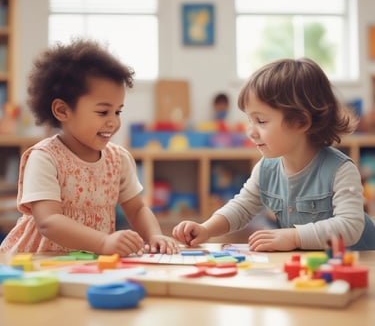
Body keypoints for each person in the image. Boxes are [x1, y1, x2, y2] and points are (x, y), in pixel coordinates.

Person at [173, 58, 375, 251]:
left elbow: (350, 226)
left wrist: (294, 237)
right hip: (315, 265)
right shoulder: (266, 168)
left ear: (300, 122)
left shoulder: (340, 170)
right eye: (250, 120)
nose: (250, 131)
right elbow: (242, 207)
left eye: (260, 121)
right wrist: (207, 229)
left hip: (361, 263)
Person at [0, 39, 179, 256]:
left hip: (89, 261)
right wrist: (104, 242)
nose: (113, 122)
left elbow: (137, 208)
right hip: (40, 261)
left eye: (118, 111)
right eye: (103, 112)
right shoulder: (45, 158)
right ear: (62, 111)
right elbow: (49, 221)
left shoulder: (118, 159)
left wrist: (154, 235)